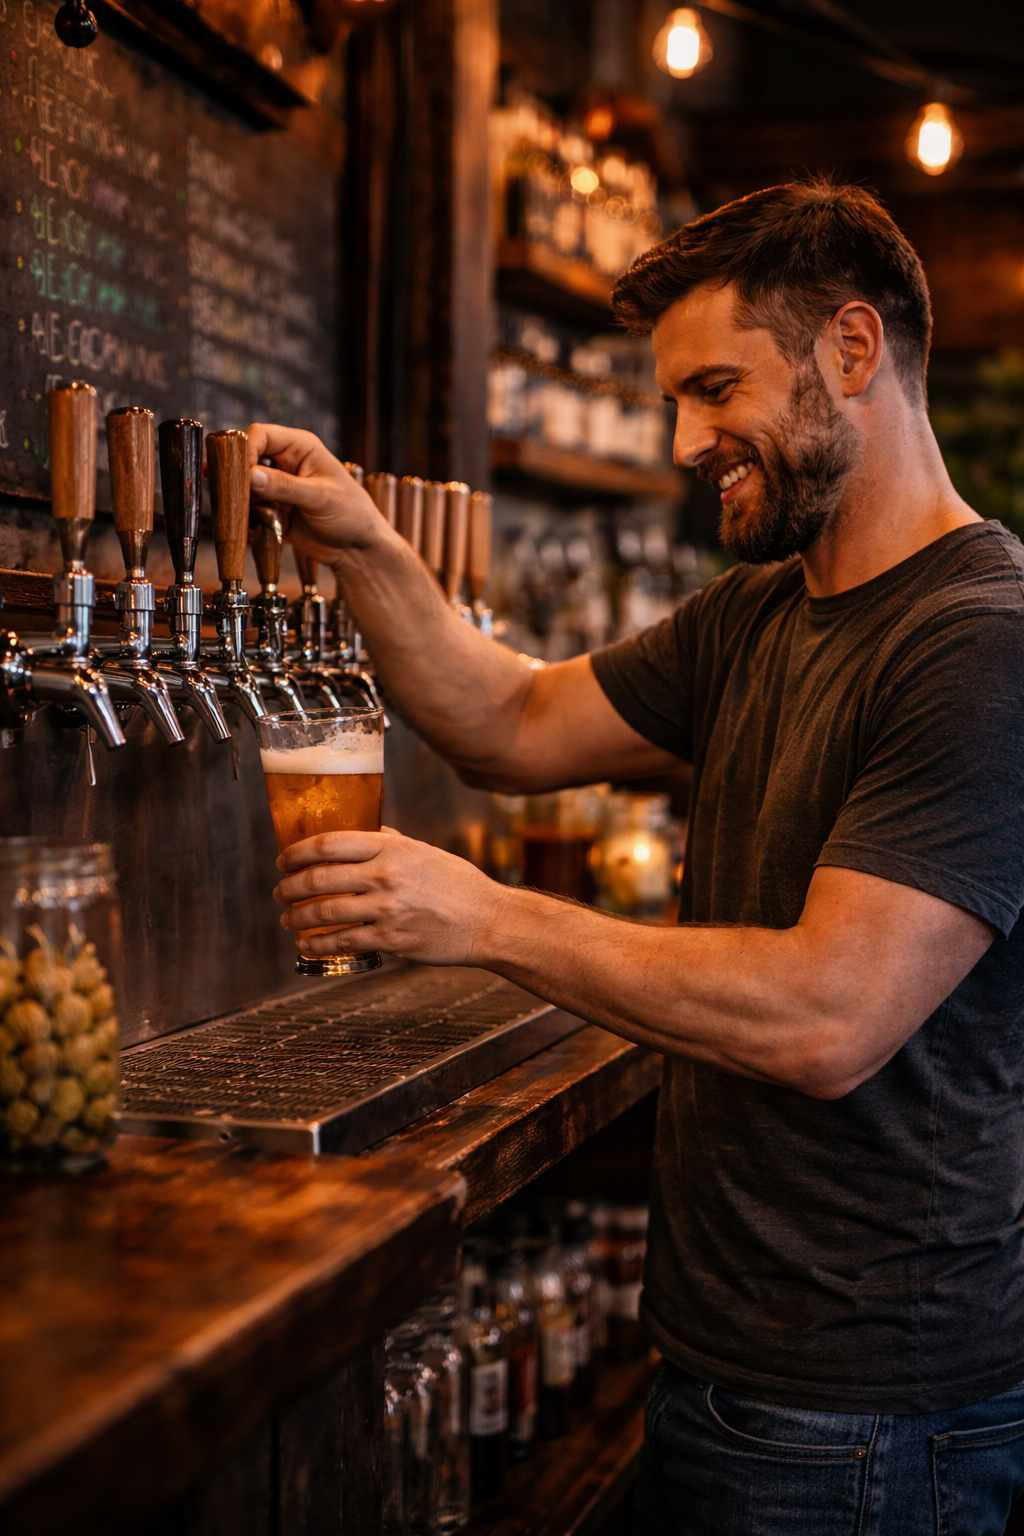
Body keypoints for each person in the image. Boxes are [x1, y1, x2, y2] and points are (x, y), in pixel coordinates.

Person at [246, 179, 1024, 1534]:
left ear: (852, 350)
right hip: (731, 1364)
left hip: (865, 1414)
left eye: (714, 388)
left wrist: (488, 918)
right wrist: (364, 544)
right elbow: (509, 719)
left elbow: (827, 1015)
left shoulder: (982, 642)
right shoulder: (762, 615)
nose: (681, 441)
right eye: (670, 398)